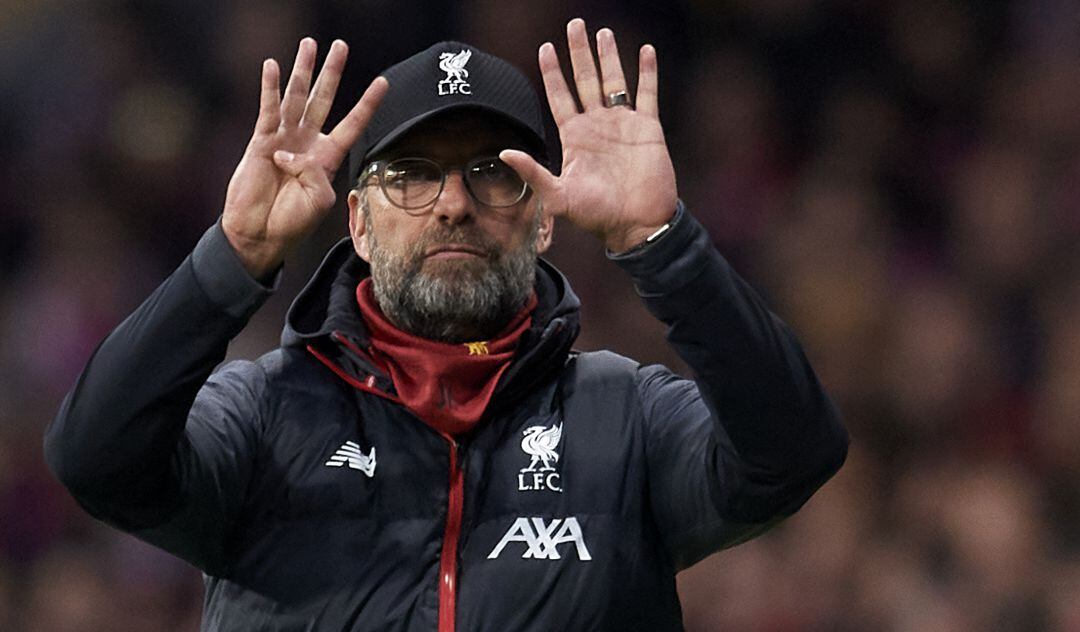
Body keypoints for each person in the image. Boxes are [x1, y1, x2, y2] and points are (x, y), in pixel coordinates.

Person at [45, 18, 847, 632]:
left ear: (541, 221)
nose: (455, 203)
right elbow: (95, 460)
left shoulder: (627, 417)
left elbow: (794, 454)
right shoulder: (263, 413)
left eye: (494, 174)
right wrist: (232, 257)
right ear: (357, 223)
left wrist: (663, 245)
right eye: (413, 176)